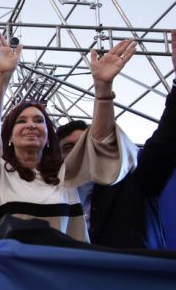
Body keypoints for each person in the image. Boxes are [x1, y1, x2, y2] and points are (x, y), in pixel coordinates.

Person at [0, 30, 138, 246]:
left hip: (60, 275)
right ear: (9, 137)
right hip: (4, 276)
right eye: (21, 121)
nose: (31, 125)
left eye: (39, 120)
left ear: (48, 138)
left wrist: (103, 88)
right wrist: (2, 76)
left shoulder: (66, 177)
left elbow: (100, 144)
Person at [54, 30, 176, 249]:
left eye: (86, 146)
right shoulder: (52, 196)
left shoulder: (136, 181)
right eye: (68, 148)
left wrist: (103, 89)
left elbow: (169, 138)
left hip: (132, 278)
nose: (78, 154)